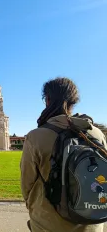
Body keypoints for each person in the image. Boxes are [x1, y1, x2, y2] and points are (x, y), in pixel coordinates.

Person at [20, 77, 106, 232]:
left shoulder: (36, 136)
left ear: (47, 100)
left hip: (49, 223)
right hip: (92, 223)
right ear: (74, 102)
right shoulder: (96, 134)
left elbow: (27, 185)